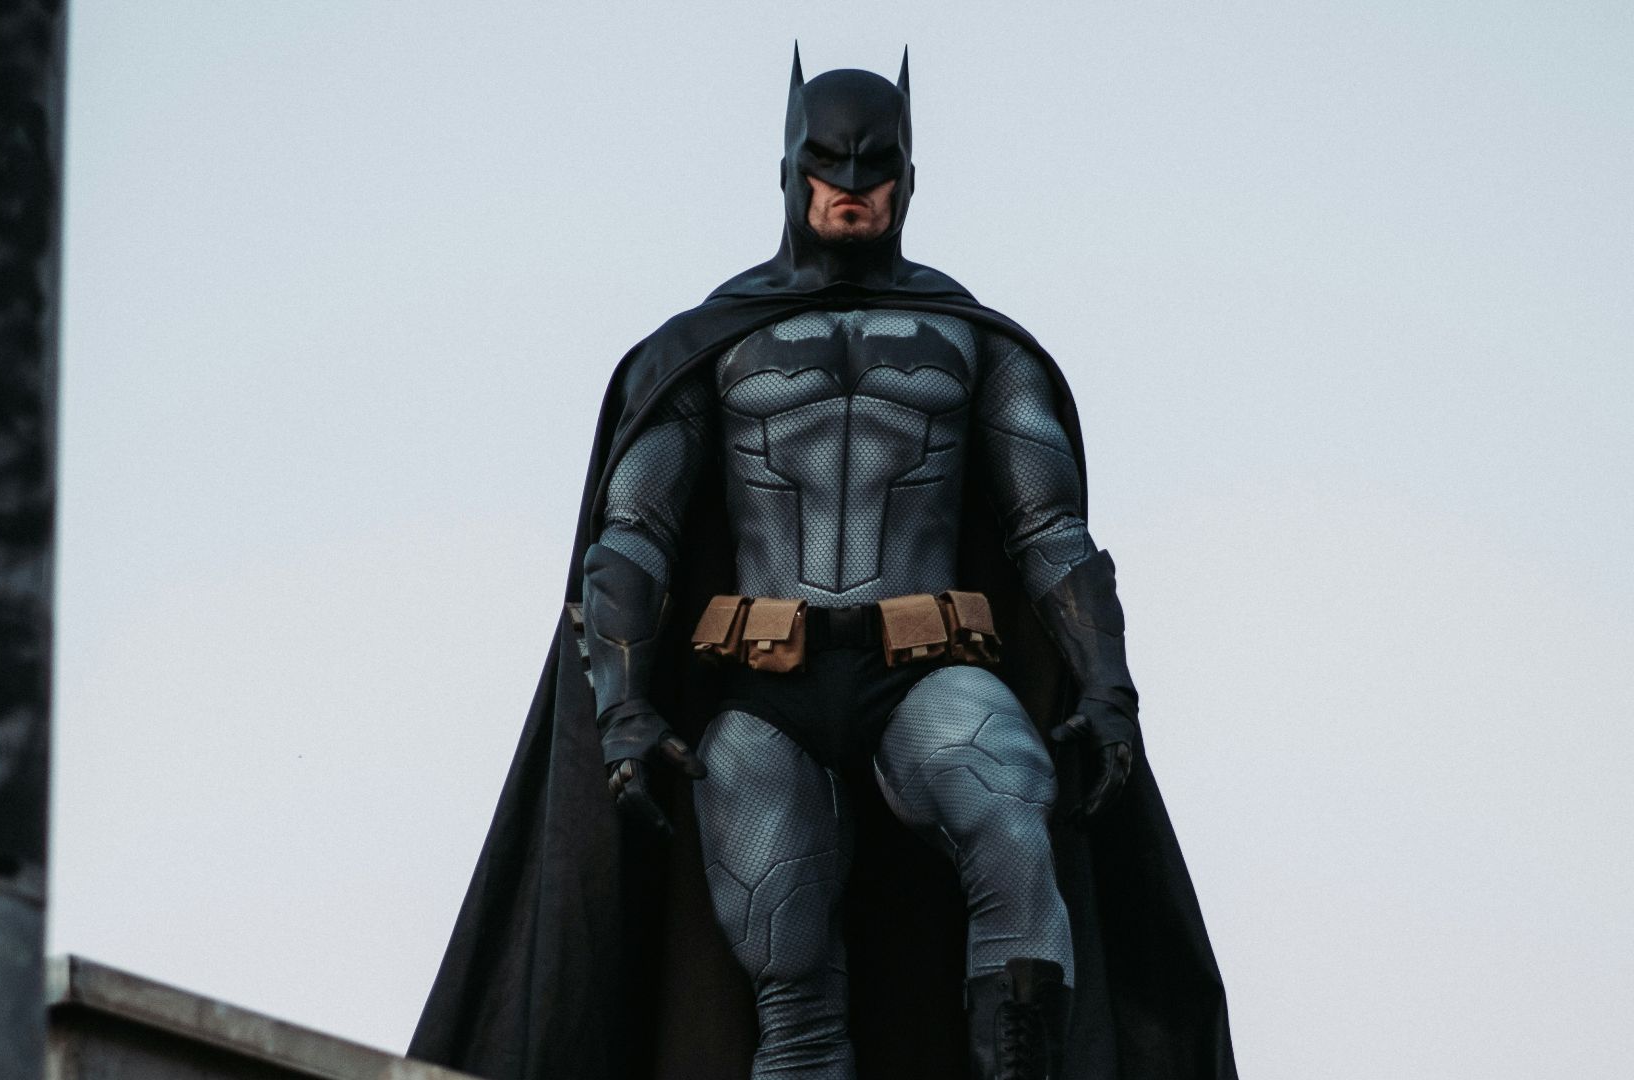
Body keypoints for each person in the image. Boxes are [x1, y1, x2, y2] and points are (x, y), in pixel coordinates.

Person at [411, 50, 1235, 1080]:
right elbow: (634, 535)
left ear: (909, 178)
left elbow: (1049, 529)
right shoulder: (710, 343)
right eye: (828, 166)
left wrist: (1108, 686)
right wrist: (622, 704)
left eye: (873, 168)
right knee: (786, 953)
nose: (851, 187)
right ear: (790, 170)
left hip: (926, 673)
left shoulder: (974, 342)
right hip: (764, 691)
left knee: (1011, 812)